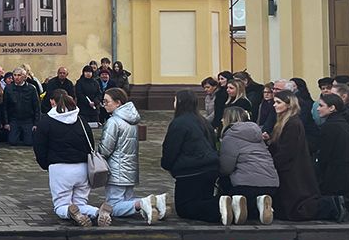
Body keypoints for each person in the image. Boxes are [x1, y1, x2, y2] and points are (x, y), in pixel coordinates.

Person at [269, 91, 347, 221]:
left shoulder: (292, 123)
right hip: (290, 168)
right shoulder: (284, 122)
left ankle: (333, 205)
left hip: (292, 170)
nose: (274, 105)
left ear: (288, 105)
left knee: (299, 207)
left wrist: (274, 163)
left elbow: (288, 150)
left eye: (278, 102)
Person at [34, 91, 100, 226]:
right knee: (81, 202)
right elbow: (90, 144)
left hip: (59, 168)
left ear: (54, 103)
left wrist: (46, 164)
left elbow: (39, 147)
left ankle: (70, 212)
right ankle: (97, 212)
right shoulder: (81, 121)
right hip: (82, 168)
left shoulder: (46, 121)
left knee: (61, 205)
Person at [98, 89, 164, 224]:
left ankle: (143, 203)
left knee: (113, 207)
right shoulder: (131, 121)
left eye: (107, 101)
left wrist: (97, 154)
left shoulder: (114, 122)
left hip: (116, 170)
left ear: (118, 103)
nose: (104, 104)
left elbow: (105, 149)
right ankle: (156, 202)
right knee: (126, 201)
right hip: (130, 169)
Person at [160, 90, 223, 223]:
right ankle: (226, 205)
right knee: (203, 200)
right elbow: (212, 144)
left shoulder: (179, 123)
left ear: (180, 103)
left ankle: (221, 207)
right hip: (211, 168)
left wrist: (167, 165)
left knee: (184, 208)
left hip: (191, 171)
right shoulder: (204, 121)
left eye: (175, 100)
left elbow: (171, 148)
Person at [218, 107, 279, 225]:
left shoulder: (230, 137)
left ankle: (238, 204)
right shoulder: (257, 135)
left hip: (245, 185)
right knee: (254, 202)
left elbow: (226, 168)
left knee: (225, 180)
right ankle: (262, 204)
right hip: (271, 184)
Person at [314, 93, 349, 205]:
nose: (317, 109)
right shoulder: (343, 124)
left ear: (332, 108)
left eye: (321, 106)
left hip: (336, 174)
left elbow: (325, 154)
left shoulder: (330, 126)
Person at [3, 68, 40, 146]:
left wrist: (36, 123)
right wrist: (6, 122)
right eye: (15, 75)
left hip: (28, 119)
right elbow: (5, 106)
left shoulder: (31, 88)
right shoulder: (8, 88)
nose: (16, 77)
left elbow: (37, 106)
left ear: (25, 77)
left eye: (19, 75)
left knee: (29, 143)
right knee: (12, 142)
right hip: (14, 119)